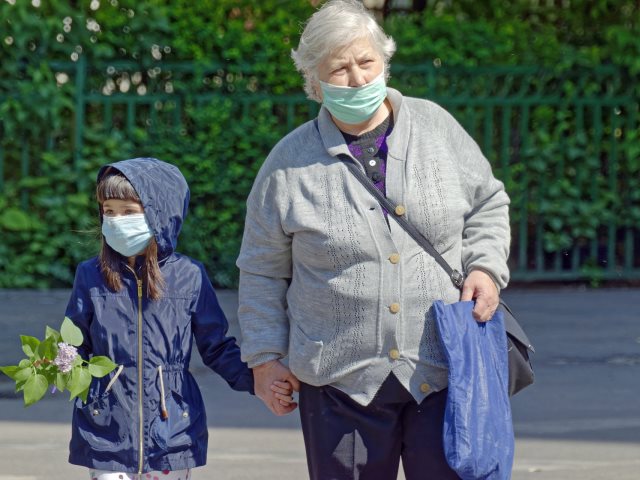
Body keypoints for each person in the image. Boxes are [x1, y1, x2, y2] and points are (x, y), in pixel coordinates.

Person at [236, 1, 511, 479]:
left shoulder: (436, 129)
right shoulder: (288, 163)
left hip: (444, 373)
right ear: (314, 81)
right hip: (339, 384)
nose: (358, 78)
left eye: (367, 62)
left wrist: (485, 267)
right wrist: (264, 358)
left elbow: (488, 202)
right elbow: (261, 267)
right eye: (339, 69)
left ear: (385, 61)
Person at [64, 157, 292, 480]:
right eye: (108, 211)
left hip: (172, 431)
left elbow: (216, 347)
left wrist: (259, 381)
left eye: (129, 211)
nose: (116, 220)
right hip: (106, 431)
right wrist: (55, 365)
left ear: (159, 214)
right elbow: (73, 343)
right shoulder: (90, 276)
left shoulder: (189, 277)